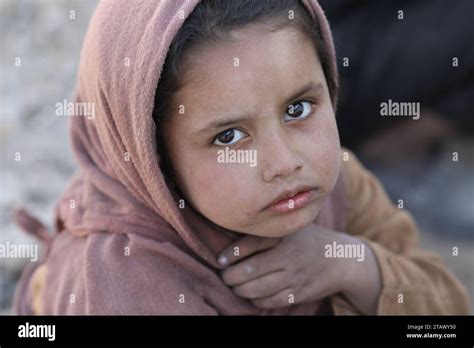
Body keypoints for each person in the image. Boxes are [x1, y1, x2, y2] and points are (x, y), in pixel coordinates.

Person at [14, 0, 469, 315]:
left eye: (298, 109)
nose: (284, 162)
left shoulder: (337, 182)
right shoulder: (125, 280)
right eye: (230, 136)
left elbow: (447, 311)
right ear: (153, 157)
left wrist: (351, 266)